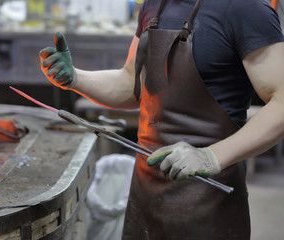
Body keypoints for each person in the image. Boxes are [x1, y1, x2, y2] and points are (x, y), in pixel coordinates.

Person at [39, 0, 284, 239]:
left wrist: (211, 156)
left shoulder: (246, 8)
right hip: (145, 196)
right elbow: (130, 83)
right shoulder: (153, 5)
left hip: (208, 201)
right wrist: (76, 79)